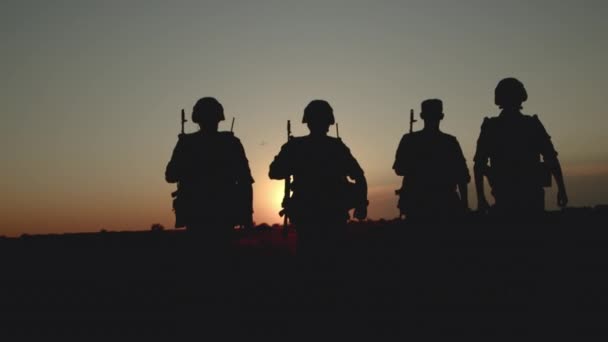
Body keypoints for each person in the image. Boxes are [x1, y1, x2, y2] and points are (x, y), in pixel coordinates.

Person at [269, 100, 368, 263]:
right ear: (329, 122)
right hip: (330, 213)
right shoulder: (336, 147)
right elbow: (359, 177)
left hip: (310, 214)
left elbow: (274, 172)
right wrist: (361, 204)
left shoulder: (295, 146)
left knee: (310, 259)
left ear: (307, 121)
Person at [474, 77, 568, 218]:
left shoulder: (491, 127)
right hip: (529, 199)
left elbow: (479, 166)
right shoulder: (532, 125)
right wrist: (561, 189)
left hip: (507, 198)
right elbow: (551, 159)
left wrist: (481, 198)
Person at [165, 97, 254, 242]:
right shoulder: (231, 143)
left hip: (198, 214)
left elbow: (170, 175)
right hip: (221, 214)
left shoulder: (187, 144)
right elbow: (245, 182)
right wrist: (248, 214)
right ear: (220, 117)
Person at [393, 99, 470, 222]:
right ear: (442, 116)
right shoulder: (449, 142)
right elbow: (462, 177)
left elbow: (399, 169)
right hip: (440, 203)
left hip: (421, 204)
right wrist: (465, 205)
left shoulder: (410, 140)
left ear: (422, 116)